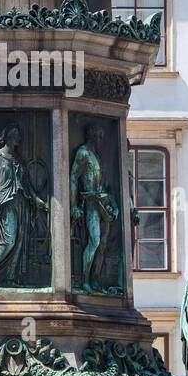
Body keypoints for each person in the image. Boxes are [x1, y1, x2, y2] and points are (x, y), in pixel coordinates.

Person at [0, 124, 49, 288]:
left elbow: (26, 183)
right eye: (16, 134)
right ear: (9, 136)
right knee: (7, 241)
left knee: (19, 241)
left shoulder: (18, 159)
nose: (19, 138)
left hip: (21, 202)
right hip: (5, 202)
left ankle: (10, 278)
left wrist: (37, 199)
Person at [70, 124, 119, 291]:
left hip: (102, 203)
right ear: (90, 135)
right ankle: (84, 281)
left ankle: (95, 280)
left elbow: (102, 184)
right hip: (90, 203)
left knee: (102, 245)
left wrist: (111, 203)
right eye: (98, 136)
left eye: (101, 137)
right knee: (95, 241)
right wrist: (73, 205)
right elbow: (73, 178)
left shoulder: (95, 155)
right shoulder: (83, 153)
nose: (100, 140)